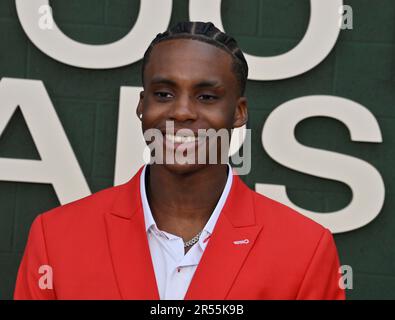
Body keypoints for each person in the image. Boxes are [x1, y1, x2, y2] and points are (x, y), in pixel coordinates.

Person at [14, 21, 345, 300]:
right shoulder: (55, 237)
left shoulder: (305, 250)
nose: (182, 112)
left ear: (239, 112)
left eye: (206, 97)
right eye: (163, 94)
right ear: (141, 105)